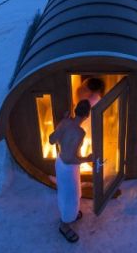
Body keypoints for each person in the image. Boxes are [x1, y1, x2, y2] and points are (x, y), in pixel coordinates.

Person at [48, 99, 95, 243]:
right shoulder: (80, 133)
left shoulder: (65, 122)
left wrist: (62, 123)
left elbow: (51, 140)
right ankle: (64, 225)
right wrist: (87, 159)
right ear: (87, 115)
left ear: (75, 110)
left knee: (67, 192)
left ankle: (71, 215)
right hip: (68, 168)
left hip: (60, 163)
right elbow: (70, 158)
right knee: (70, 197)